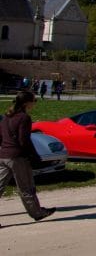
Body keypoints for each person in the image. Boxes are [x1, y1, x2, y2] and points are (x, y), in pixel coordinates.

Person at [0, 91, 56, 225]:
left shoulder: (6, 118)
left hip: (3, 155)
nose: (35, 103)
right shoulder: (24, 118)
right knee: (26, 187)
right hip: (17, 157)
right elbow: (24, 141)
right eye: (34, 101)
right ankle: (37, 212)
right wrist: (33, 156)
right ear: (26, 103)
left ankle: (37, 211)